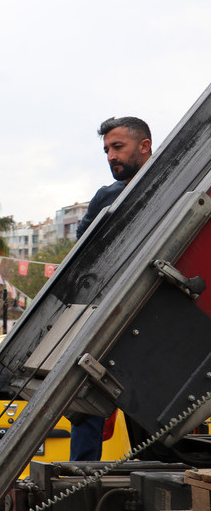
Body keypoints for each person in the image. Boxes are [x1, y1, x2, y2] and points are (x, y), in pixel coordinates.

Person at [70, 117, 152, 460]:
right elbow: (82, 254)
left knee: (152, 409)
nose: (110, 156)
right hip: (108, 313)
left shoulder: (182, 183)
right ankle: (79, 485)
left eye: (118, 147)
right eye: (106, 149)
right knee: (86, 397)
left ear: (144, 146)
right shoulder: (107, 197)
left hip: (155, 315)